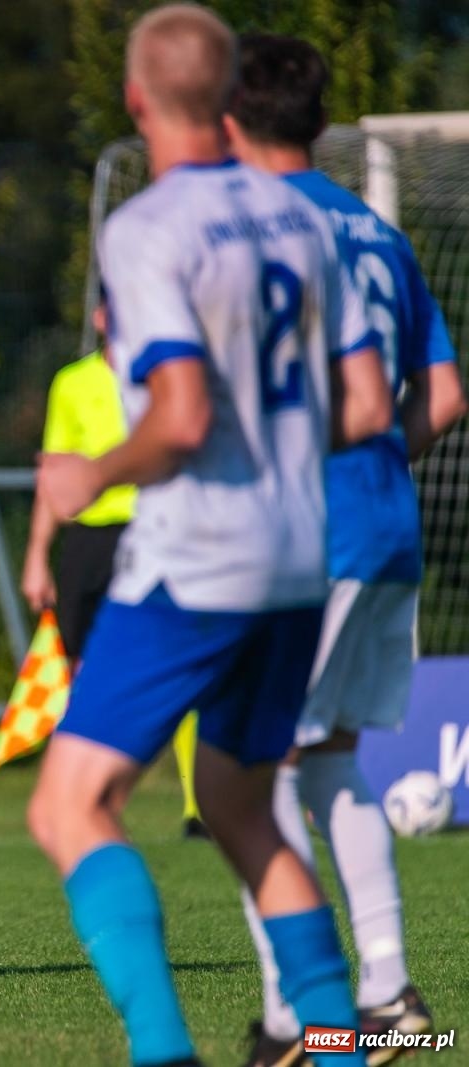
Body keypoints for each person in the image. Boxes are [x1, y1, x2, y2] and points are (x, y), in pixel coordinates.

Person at [28, 6, 391, 1065]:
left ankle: (161, 1050)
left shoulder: (145, 230)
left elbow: (180, 417)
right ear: (231, 95)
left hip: (197, 559)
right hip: (296, 556)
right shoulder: (305, 218)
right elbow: (365, 403)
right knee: (244, 807)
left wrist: (90, 470)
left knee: (69, 807)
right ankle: (334, 1044)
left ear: (137, 100)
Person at [225, 34, 468, 1066]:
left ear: (230, 122)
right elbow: (446, 393)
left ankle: (298, 1015)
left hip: (300, 530)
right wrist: (377, 462)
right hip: (383, 525)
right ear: (323, 126)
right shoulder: (377, 233)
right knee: (328, 760)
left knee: (249, 768)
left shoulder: (253, 233)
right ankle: (389, 992)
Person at [21, 306, 206, 838]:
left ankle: (197, 806)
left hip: (158, 529)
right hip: (91, 539)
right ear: (100, 316)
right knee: (80, 669)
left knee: (180, 666)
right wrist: (37, 554)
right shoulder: (73, 383)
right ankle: (83, 796)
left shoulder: (170, 378)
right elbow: (54, 475)